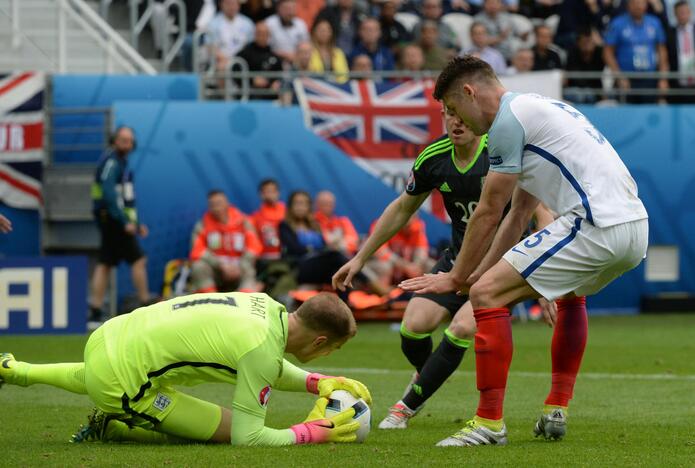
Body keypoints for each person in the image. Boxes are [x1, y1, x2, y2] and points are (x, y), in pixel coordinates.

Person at [400, 55, 648, 446]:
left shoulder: (506, 122)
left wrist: (458, 278)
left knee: (484, 295)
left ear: (469, 92)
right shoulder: (538, 110)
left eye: (451, 107)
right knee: (564, 294)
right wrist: (481, 273)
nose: (454, 118)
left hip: (595, 223)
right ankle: (556, 408)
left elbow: (488, 210)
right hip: (633, 227)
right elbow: (517, 216)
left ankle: (488, 423)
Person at [334, 105, 554, 430]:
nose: (456, 120)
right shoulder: (433, 157)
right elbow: (401, 209)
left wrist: (545, 277)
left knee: (462, 328)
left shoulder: (501, 152)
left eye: (463, 113)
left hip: (502, 263)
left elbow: (541, 212)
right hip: (459, 259)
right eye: (449, 114)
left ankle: (404, 408)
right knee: (413, 326)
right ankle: (431, 374)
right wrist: (360, 257)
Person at [0, 292, 371, 446]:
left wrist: (316, 382)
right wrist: (312, 431)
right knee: (227, 430)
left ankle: (14, 370)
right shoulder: (262, 350)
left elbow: (266, 364)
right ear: (320, 341)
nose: (325, 358)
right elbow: (250, 439)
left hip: (109, 336)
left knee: (101, 373)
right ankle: (116, 426)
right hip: (119, 381)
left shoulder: (265, 305)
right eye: (331, 352)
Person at [89, 126, 151, 324]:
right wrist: (125, 222)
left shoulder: (121, 163)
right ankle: (145, 305)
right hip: (113, 221)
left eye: (130, 140)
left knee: (105, 263)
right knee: (138, 259)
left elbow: (126, 199)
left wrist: (137, 223)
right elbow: (109, 195)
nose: (127, 143)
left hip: (114, 220)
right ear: (114, 140)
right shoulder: (112, 162)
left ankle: (96, 310)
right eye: (123, 139)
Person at [189, 190, 263, 293]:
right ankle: (210, 301)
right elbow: (197, 250)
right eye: (212, 205)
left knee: (248, 268)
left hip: (240, 266)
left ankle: (244, 300)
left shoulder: (244, 222)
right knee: (198, 266)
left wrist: (241, 263)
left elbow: (255, 246)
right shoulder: (203, 225)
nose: (216, 208)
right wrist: (220, 264)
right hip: (217, 268)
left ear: (227, 203)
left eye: (219, 203)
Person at [604, 0, 670, 103]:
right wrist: (619, 76)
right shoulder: (618, 24)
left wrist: (663, 79)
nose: (638, 6)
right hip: (627, 79)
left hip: (649, 79)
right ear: (628, 5)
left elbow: (662, 52)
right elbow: (607, 52)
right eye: (635, 3)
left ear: (646, 5)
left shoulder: (654, 23)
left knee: (648, 113)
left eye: (641, 3)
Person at [236, 21, 284, 99]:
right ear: (255, 34)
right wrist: (252, 80)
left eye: (265, 34)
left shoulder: (273, 55)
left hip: (270, 95)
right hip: (249, 94)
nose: (262, 36)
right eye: (259, 33)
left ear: (269, 35)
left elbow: (280, 74)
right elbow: (235, 70)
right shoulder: (245, 53)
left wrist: (276, 82)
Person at [207, 0, 255, 72]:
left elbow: (252, 45)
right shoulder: (212, 24)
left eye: (233, 4)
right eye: (228, 4)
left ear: (238, 5)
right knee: (222, 67)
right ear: (221, 5)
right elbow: (211, 47)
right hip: (222, 60)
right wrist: (228, 60)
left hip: (243, 60)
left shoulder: (248, 23)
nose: (231, 7)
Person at [564, 27, 606, 103]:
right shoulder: (572, 53)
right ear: (578, 42)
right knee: (580, 95)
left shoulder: (599, 53)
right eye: (584, 42)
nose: (587, 45)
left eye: (589, 41)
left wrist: (600, 43)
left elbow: (610, 55)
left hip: (595, 89)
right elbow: (574, 77)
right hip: (576, 88)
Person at [314, 190, 359, 257]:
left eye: (330, 203)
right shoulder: (312, 221)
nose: (327, 206)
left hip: (346, 257)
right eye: (324, 203)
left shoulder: (343, 221)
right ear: (316, 204)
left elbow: (354, 241)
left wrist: (337, 245)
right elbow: (324, 243)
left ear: (334, 205)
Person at [251, 179, 286, 262]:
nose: (270, 194)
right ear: (261, 195)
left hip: (287, 257)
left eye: (273, 191)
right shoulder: (254, 217)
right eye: (266, 191)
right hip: (265, 258)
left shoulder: (288, 214)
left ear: (278, 193)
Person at [667, 0, 695, 102]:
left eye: (685, 12)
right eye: (680, 12)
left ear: (690, 12)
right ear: (675, 14)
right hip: (677, 84)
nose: (683, 15)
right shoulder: (670, 33)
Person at [309, 18, 350, 83]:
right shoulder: (309, 51)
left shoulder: (338, 52)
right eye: (321, 30)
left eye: (326, 30)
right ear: (314, 32)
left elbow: (344, 74)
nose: (323, 33)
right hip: (316, 86)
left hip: (337, 87)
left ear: (331, 33)